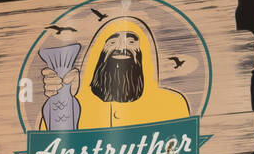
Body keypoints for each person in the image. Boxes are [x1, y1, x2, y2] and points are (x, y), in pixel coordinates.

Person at [41, 16, 190, 129]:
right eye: (111, 42)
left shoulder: (172, 103)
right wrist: (65, 101)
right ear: (96, 55)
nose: (121, 48)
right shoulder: (74, 105)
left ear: (146, 54)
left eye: (131, 42)